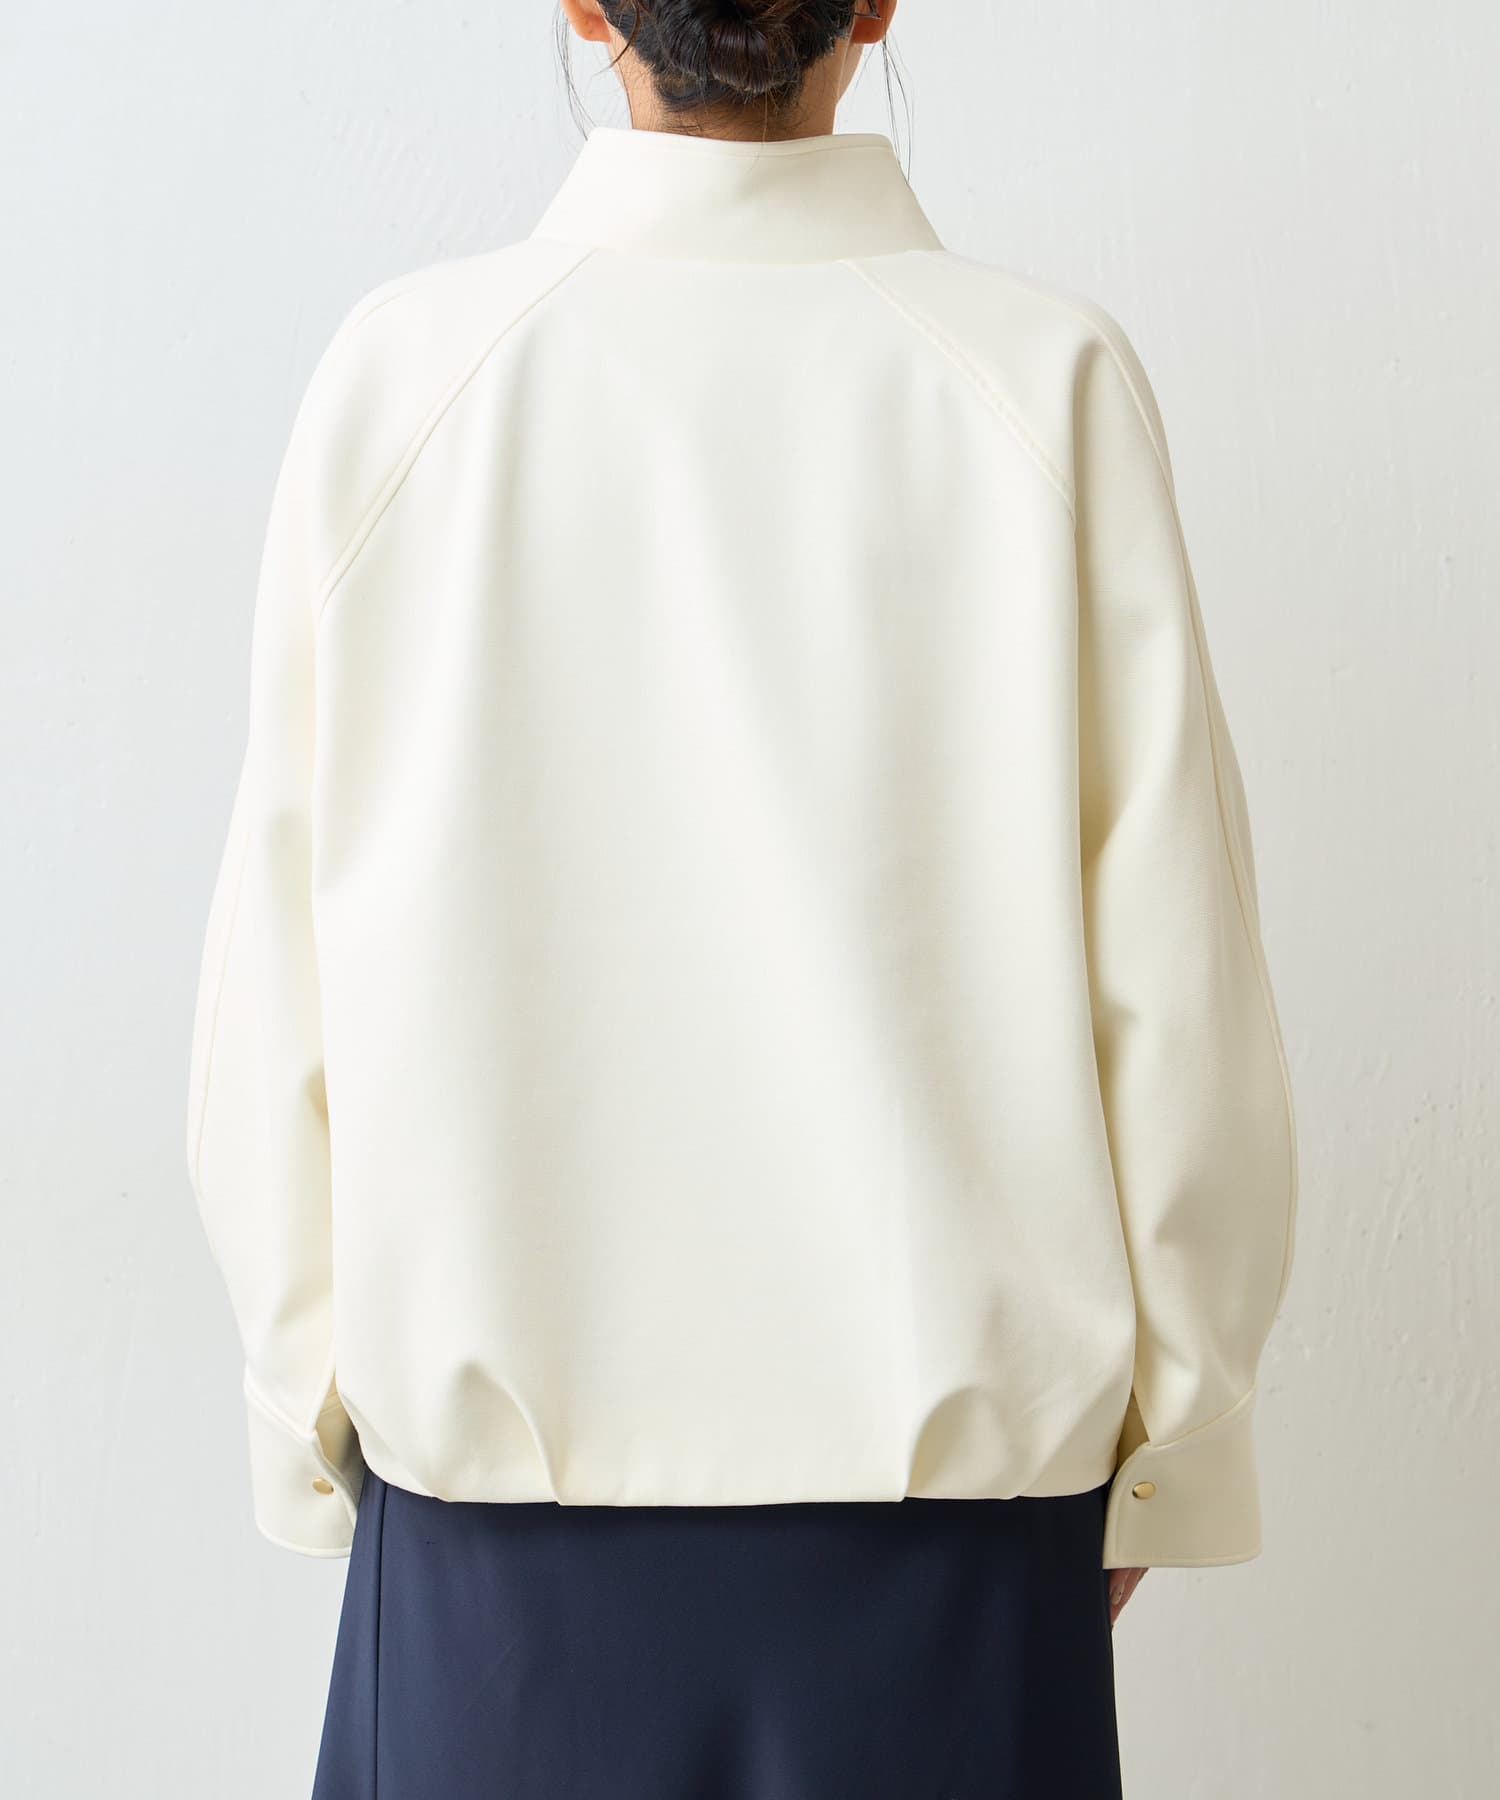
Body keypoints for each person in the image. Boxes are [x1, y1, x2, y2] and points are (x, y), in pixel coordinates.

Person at [183, 2, 1299, 1794]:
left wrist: (304, 1404)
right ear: (874, 9)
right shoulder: (1044, 386)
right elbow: (1178, 994)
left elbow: (276, 989)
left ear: (584, 6)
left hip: (488, 1579)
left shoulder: (406, 384)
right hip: (953, 1576)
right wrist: (1178, 1437)